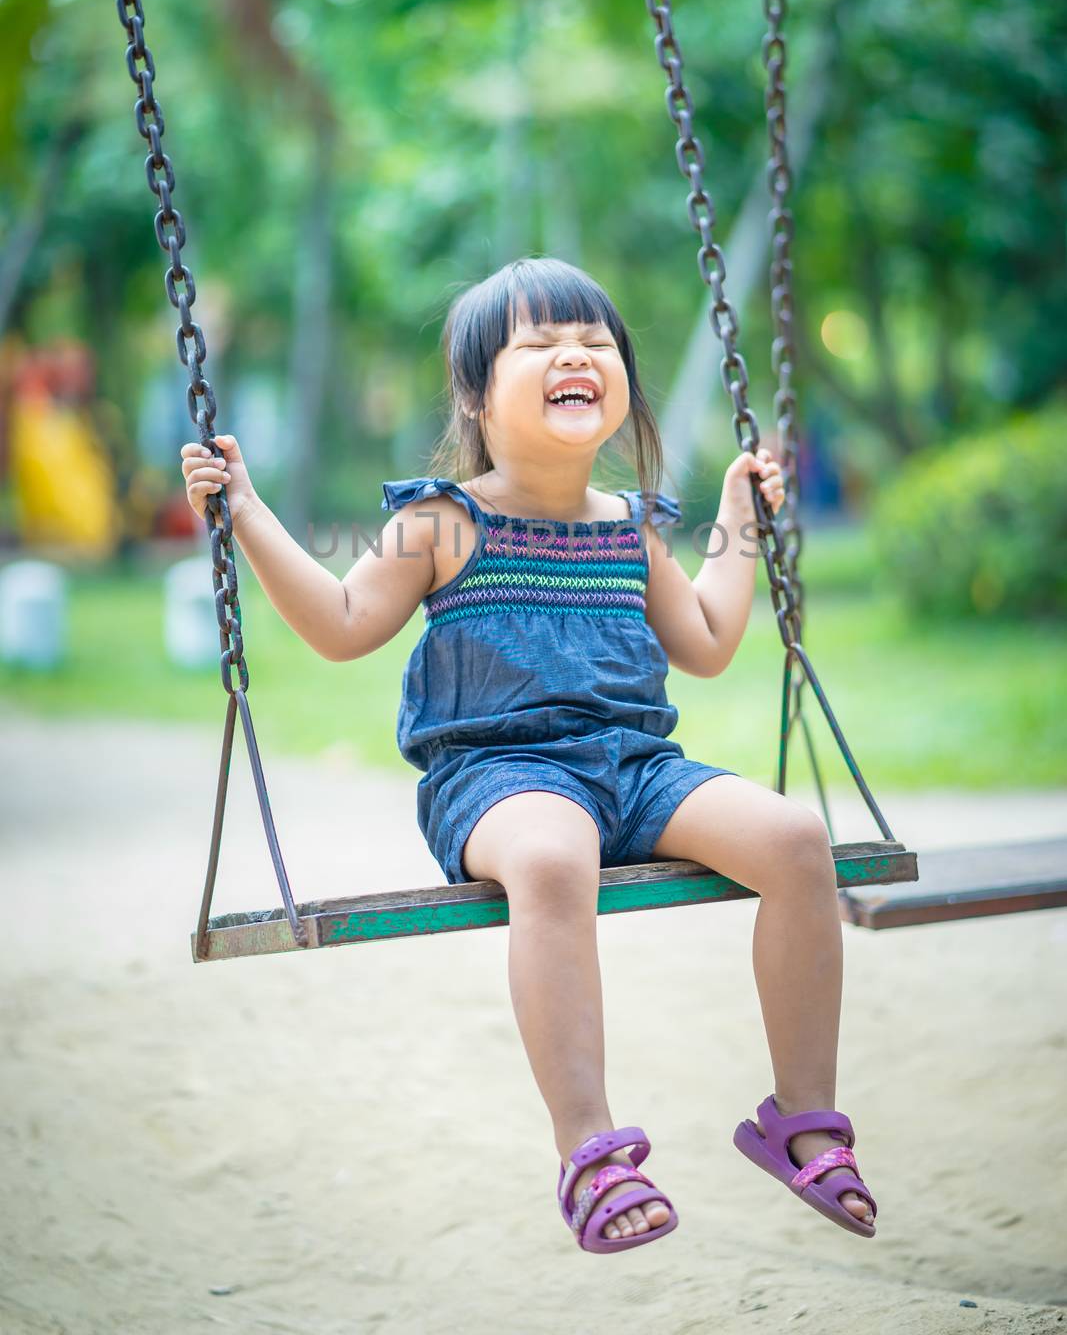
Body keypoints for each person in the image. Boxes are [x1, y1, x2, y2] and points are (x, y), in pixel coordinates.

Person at [180, 256, 877, 1254]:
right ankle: (588, 1147)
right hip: (498, 778)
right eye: (540, 342)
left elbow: (709, 644)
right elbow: (339, 624)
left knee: (795, 835)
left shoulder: (630, 530)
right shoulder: (441, 520)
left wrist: (737, 519)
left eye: (595, 342)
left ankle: (801, 1116)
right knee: (554, 859)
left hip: (634, 769)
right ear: (475, 395)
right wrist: (243, 508)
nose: (575, 355)